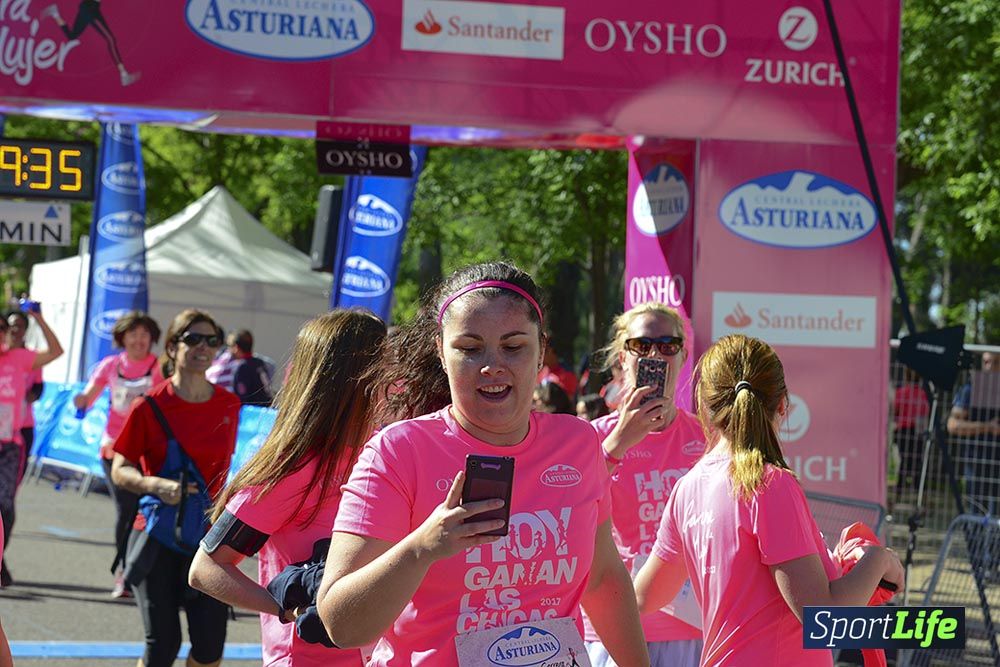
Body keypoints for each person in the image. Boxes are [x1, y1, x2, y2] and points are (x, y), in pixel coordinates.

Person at [317, 262, 650, 666]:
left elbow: (602, 578)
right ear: (442, 352)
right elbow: (341, 624)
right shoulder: (398, 452)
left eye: (513, 347)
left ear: (541, 350)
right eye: (470, 349)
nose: (492, 365)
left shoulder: (578, 444)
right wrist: (421, 549)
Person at [634, 334, 904, 667]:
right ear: (782, 405)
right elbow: (825, 621)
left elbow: (644, 596)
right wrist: (879, 560)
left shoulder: (686, 490)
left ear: (704, 406)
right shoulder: (770, 484)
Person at [189, 309, 386, 667]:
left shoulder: (385, 452)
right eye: (383, 365)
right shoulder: (294, 469)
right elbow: (206, 569)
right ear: (351, 379)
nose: (394, 378)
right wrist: (288, 610)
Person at [111, 309, 240, 667]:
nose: (203, 347)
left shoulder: (228, 404)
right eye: (193, 339)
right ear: (172, 347)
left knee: (210, 646)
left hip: (207, 538)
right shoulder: (149, 406)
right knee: (163, 644)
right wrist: (154, 484)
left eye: (211, 340)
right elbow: (120, 468)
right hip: (158, 536)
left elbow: (225, 472)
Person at [583, 303, 704, 667]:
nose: (655, 355)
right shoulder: (593, 438)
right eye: (642, 346)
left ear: (683, 357)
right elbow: (565, 511)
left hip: (690, 625)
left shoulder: (706, 436)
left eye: (668, 346)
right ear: (623, 359)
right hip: (616, 624)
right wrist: (617, 445)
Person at [73, 310, 163, 598]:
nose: (139, 340)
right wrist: (81, 401)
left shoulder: (159, 366)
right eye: (133, 334)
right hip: (115, 449)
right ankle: (123, 573)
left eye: (145, 334)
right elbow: (88, 397)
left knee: (149, 512)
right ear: (122, 338)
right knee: (127, 510)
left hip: (150, 452)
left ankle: (145, 573)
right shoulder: (111, 365)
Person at [0, 306, 62, 589]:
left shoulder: (20, 358)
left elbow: (56, 351)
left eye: (7, 329)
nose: (7, 334)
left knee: (6, 507)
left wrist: (39, 317)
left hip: (10, 444)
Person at [947, 350, 1000, 514]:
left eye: (996, 363)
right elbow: (953, 425)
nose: (990, 367)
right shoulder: (971, 389)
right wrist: (987, 427)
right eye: (986, 362)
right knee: (977, 518)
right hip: (978, 467)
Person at [41, 1, 140, 86]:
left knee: (72, 36)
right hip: (90, 8)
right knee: (110, 39)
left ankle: (55, 14)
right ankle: (123, 75)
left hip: (89, 7)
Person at [5, 311, 44, 487]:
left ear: (25, 330)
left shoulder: (32, 358)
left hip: (22, 427)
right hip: (2, 428)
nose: (15, 329)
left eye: (19, 326)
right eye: (11, 325)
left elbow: (39, 386)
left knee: (11, 487)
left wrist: (30, 395)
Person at [207, 330, 274, 406]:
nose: (229, 351)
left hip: (252, 412)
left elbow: (241, 398)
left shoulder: (242, 367)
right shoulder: (259, 362)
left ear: (236, 347)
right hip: (266, 407)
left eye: (230, 347)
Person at [892, 367, 929, 502]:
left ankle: (896, 498)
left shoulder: (901, 393)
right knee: (917, 465)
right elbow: (925, 413)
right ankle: (922, 499)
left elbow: (895, 411)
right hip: (917, 433)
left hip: (903, 432)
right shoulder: (923, 394)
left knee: (904, 463)